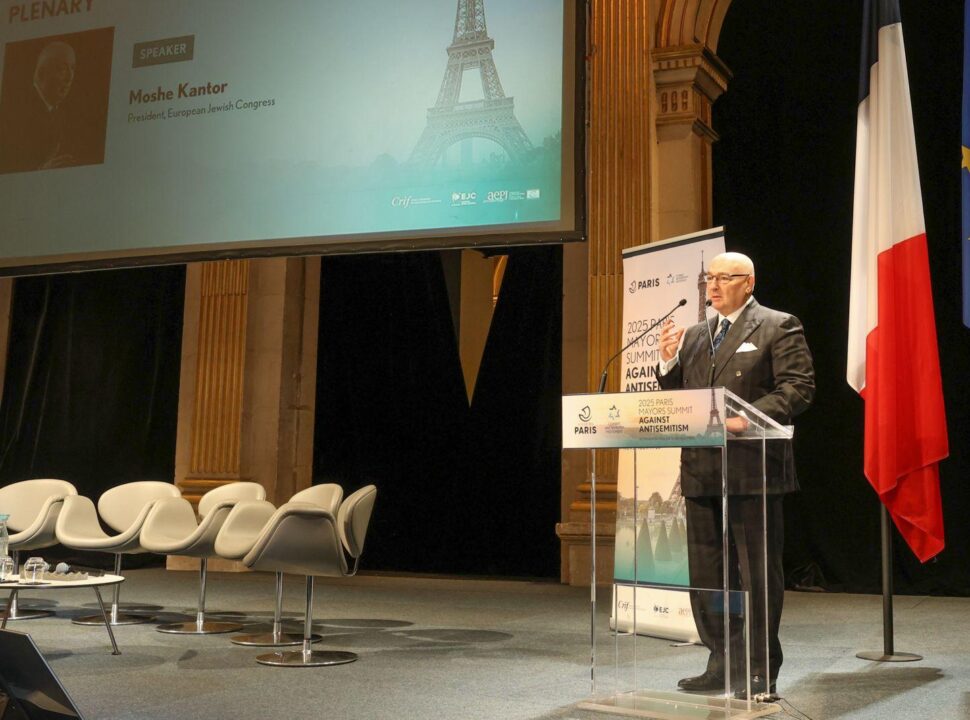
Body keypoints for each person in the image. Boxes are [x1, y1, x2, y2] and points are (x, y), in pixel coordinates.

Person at [656, 251, 814, 699]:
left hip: (753, 470)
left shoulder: (778, 325)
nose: (714, 285)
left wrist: (746, 418)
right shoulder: (694, 335)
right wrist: (667, 363)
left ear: (749, 282)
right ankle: (722, 662)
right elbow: (680, 397)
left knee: (756, 574)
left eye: (725, 278)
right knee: (709, 574)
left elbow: (799, 388)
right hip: (702, 470)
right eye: (710, 278)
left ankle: (760, 669)